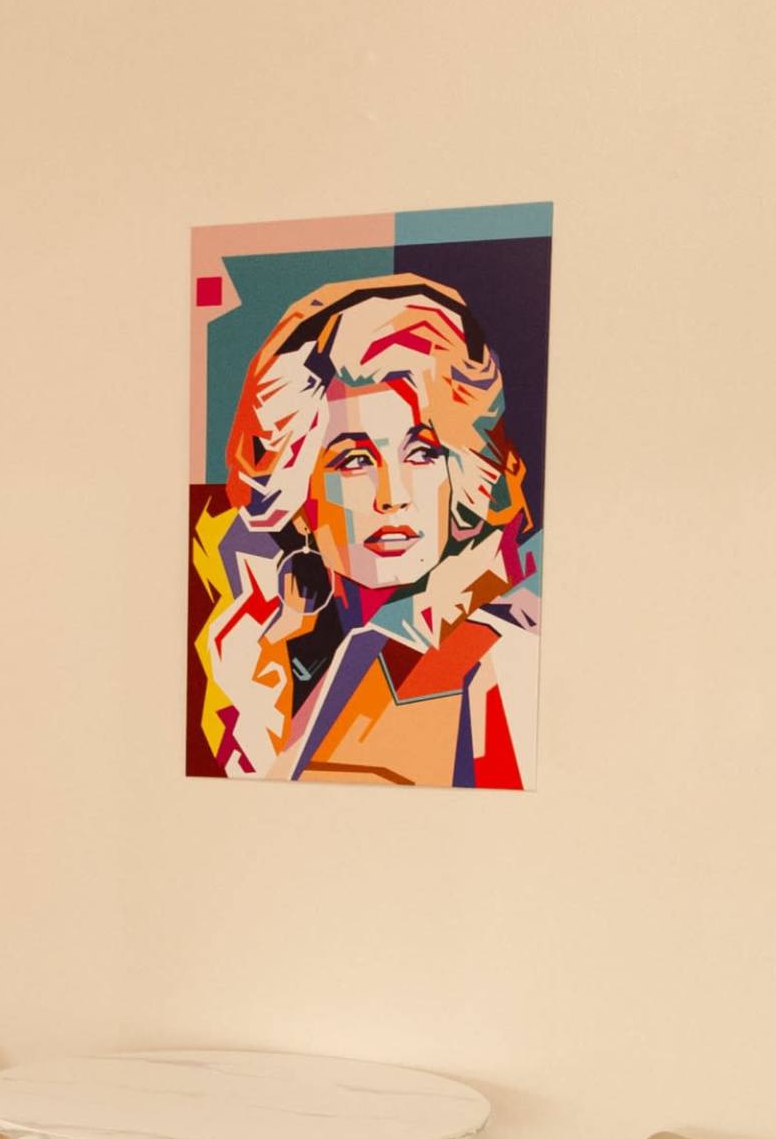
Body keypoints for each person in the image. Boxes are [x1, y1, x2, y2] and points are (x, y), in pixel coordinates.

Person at [191, 273, 537, 787]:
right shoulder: (250, 636)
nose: (391, 495)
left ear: (460, 474)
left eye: (421, 452)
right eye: (353, 460)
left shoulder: (505, 651)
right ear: (297, 487)